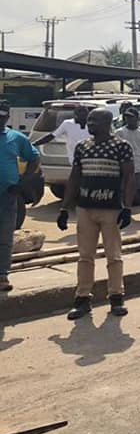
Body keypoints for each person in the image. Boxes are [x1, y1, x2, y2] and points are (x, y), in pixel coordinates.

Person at [58, 108, 134, 319]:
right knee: (85, 256)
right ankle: (82, 298)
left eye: (95, 120)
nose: (90, 123)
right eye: (89, 120)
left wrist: (127, 208)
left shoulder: (121, 146)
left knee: (114, 256)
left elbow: (129, 178)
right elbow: (74, 177)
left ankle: (116, 297)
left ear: (107, 122)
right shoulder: (83, 147)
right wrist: (65, 208)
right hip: (85, 208)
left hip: (111, 209)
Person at [0, 100, 40, 292]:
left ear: (7, 117)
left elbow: (34, 157)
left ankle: (2, 276)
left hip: (7, 196)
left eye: (2, 116)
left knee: (5, 236)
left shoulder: (16, 138)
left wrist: (24, 182)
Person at [116, 108, 140, 221]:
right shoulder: (120, 132)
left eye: (131, 117)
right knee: (123, 191)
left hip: (139, 166)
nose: (128, 119)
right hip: (123, 167)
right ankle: (125, 212)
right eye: (127, 117)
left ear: (137, 118)